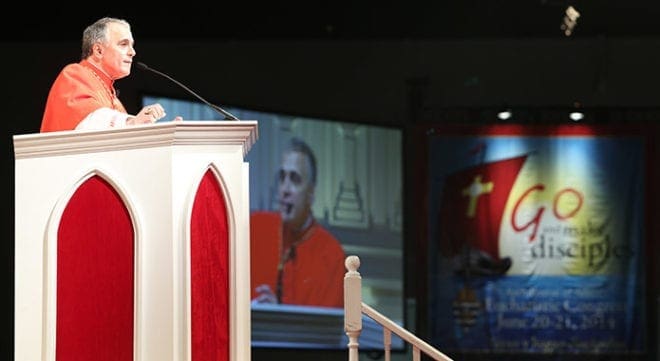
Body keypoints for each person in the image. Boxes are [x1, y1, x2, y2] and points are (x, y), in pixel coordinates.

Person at [250, 137, 346, 308]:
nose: (285, 189)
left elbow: (324, 331)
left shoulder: (332, 257)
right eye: (282, 177)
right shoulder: (254, 229)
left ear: (311, 192)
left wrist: (278, 315)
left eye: (295, 179)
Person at [40, 17, 179, 132]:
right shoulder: (74, 75)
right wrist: (132, 123)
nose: (132, 52)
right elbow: (87, 124)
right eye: (123, 44)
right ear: (99, 50)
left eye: (132, 45)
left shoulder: (114, 99)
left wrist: (163, 133)